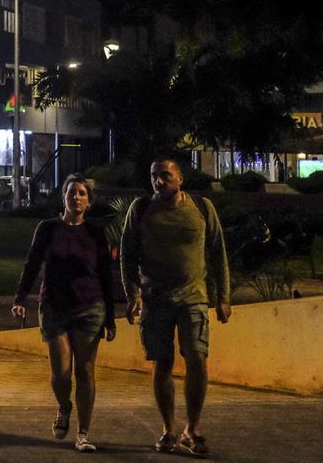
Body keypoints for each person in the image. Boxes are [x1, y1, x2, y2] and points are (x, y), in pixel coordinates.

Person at [121, 156, 230, 458]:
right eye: (154, 175)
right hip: (155, 300)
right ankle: (169, 429)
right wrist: (133, 294)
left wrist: (223, 297)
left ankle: (191, 429)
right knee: (162, 363)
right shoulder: (140, 210)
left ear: (180, 178)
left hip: (194, 297)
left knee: (197, 358)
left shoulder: (201, 208)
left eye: (166, 175)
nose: (159, 181)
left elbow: (218, 253)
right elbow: (127, 256)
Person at [12, 174, 116, 453]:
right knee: (61, 373)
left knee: (85, 371)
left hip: (90, 307)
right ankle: (64, 405)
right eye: (72, 192)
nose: (77, 197)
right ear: (64, 197)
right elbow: (32, 263)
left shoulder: (95, 233)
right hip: (55, 307)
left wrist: (110, 316)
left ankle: (83, 432)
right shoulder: (47, 228)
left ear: (89, 202)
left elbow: (106, 273)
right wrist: (21, 297)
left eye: (82, 193)